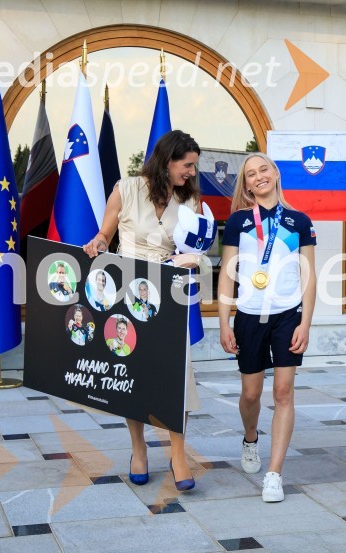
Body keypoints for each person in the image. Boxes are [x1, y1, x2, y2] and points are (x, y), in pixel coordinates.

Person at [83, 130, 208, 492]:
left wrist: (192, 259)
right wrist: (99, 242)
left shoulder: (191, 198)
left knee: (176, 377)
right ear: (167, 160)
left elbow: (195, 246)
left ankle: (178, 453)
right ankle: (139, 450)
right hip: (128, 288)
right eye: (187, 165)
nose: (191, 173)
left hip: (170, 292)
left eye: (193, 167)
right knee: (131, 373)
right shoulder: (126, 189)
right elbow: (105, 234)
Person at [218, 152, 316, 503]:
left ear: (275, 173)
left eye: (263, 170)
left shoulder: (300, 220)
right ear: (246, 185)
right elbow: (227, 276)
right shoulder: (238, 221)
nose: (258, 177)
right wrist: (224, 322)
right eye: (250, 174)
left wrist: (305, 322)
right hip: (247, 316)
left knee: (283, 393)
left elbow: (309, 277)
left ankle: (274, 474)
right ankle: (250, 438)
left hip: (287, 315)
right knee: (251, 395)